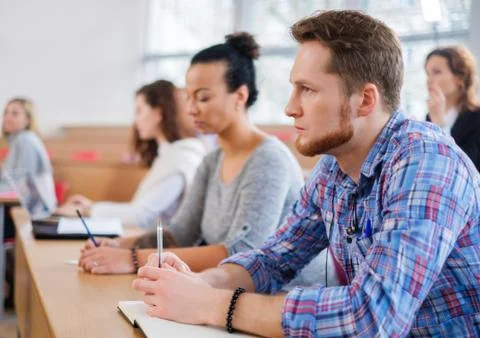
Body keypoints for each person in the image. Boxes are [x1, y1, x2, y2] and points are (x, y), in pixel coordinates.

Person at [132, 10, 480, 337]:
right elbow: (274, 258)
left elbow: (372, 317)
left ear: (365, 100)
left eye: (308, 90)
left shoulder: (428, 162)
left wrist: (214, 305)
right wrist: (204, 283)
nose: (289, 107)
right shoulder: (334, 165)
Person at [78, 32, 304, 275]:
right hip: (230, 289)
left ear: (240, 95)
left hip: (283, 296)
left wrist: (131, 259)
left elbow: (242, 251)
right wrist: (118, 245)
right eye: (188, 97)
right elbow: (180, 233)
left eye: (203, 97)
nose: (191, 109)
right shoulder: (212, 160)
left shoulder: (268, 159)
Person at [56, 80, 207, 228]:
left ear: (158, 113)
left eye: (139, 111)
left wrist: (88, 210)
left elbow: (141, 216)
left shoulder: (180, 158)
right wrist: (92, 207)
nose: (136, 120)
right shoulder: (170, 154)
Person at [425, 45, 480, 171]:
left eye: (436, 72)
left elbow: (468, 166)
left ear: (460, 78)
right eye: (427, 73)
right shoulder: (430, 115)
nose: (429, 80)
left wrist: (440, 125)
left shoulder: (477, 117)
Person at [1, 97, 54, 197]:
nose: (7, 118)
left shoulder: (25, 140)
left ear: (28, 119)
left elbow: (22, 184)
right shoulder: (18, 140)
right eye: (5, 113)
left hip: (28, 208)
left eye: (15, 114)